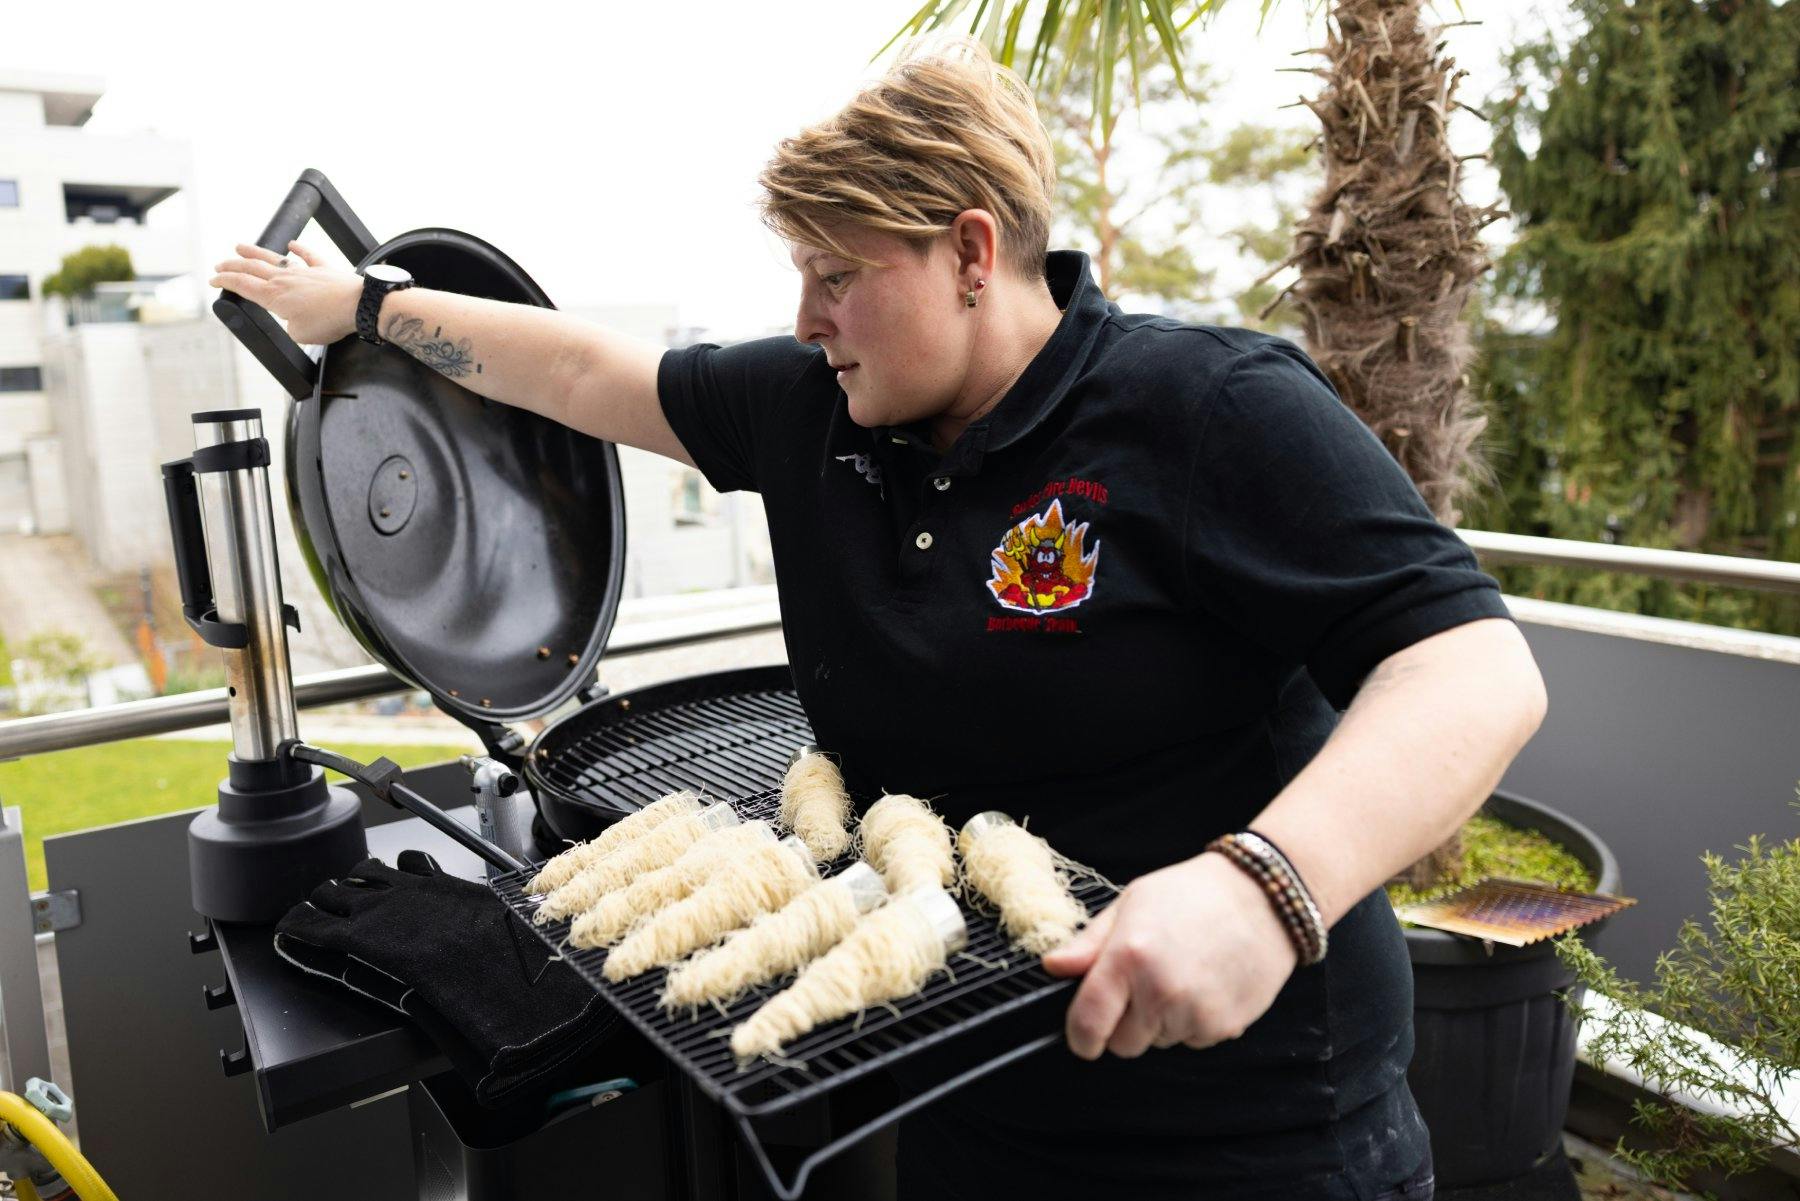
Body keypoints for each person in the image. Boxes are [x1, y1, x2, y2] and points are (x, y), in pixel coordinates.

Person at [211, 37, 1545, 1201]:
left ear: (969, 252)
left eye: (835, 276)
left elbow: (1474, 670)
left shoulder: (1208, 408)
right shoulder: (812, 411)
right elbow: (573, 368)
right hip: (963, 1102)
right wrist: (364, 308)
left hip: (1251, 1136)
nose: (805, 318)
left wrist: (1266, 887)